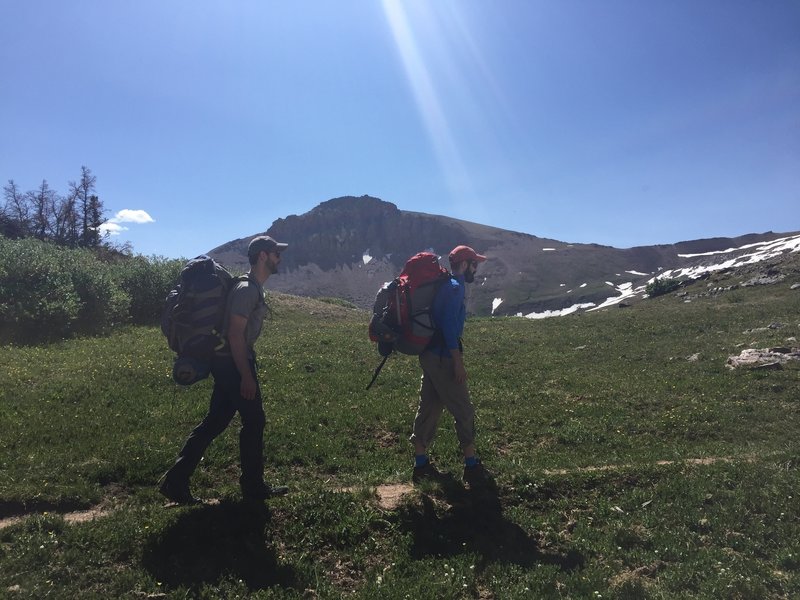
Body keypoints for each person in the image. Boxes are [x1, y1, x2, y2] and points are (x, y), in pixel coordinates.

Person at [159, 235, 289, 504]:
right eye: (276, 253)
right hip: (233, 363)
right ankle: (253, 486)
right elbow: (235, 335)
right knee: (254, 421)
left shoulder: (248, 286)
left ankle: (176, 481)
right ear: (262, 256)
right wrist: (246, 375)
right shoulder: (247, 290)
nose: (280, 258)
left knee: (215, 422)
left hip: (224, 362)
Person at [410, 244, 491, 488]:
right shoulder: (456, 288)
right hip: (443, 357)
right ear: (465, 265)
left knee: (431, 405)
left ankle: (421, 463)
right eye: (474, 264)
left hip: (429, 354)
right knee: (463, 409)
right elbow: (448, 325)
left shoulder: (446, 285)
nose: (476, 269)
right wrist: (457, 362)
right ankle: (471, 466)